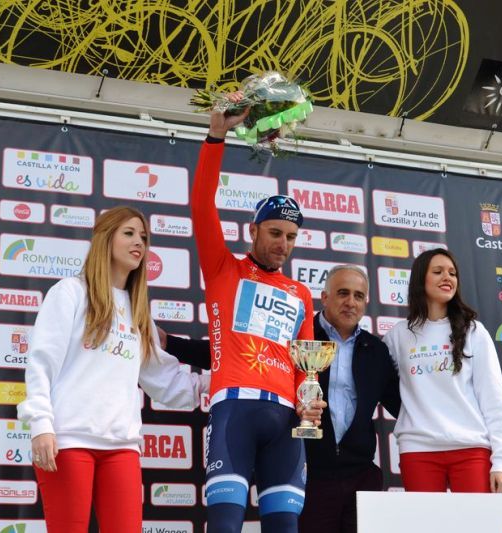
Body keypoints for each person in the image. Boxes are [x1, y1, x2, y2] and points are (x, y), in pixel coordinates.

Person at [161, 264, 400, 533]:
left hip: (361, 477)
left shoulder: (376, 350)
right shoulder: (294, 331)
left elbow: (402, 404)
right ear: (325, 297)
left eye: (359, 295)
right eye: (343, 293)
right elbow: (227, 353)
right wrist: (171, 344)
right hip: (311, 473)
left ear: (366, 301)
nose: (351, 302)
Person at [17, 206, 207, 533]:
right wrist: (41, 425)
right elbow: (41, 363)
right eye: (129, 233)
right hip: (67, 440)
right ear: (105, 239)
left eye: (143, 237)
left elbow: (166, 382)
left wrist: (221, 381)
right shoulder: (70, 292)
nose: (139, 243)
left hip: (122, 446)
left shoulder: (138, 312)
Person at [193, 94, 318, 533]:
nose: (283, 243)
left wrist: (309, 402)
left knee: (285, 528)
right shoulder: (223, 269)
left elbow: (306, 365)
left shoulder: (301, 294)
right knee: (224, 527)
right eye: (275, 233)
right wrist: (217, 135)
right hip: (234, 410)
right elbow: (202, 205)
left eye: (291, 236)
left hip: (286, 420)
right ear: (253, 230)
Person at [382, 248, 502, 493]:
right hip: (418, 449)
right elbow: (381, 384)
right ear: (420, 279)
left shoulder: (474, 331)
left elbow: (492, 396)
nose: (447, 277)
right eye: (438, 271)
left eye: (452, 273)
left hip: (471, 448)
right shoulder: (398, 335)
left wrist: (501, 461)